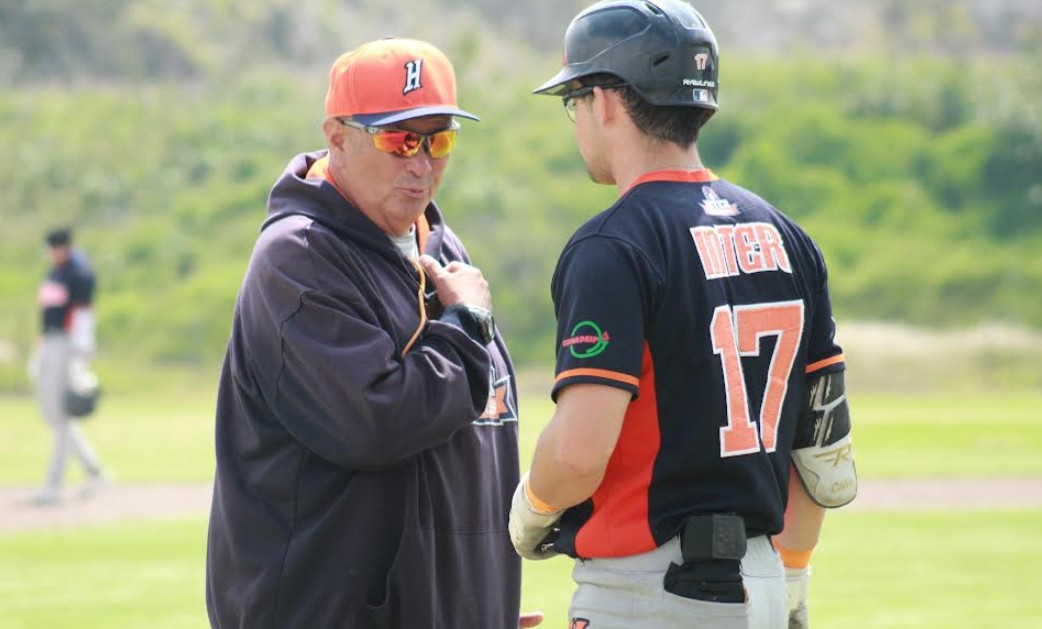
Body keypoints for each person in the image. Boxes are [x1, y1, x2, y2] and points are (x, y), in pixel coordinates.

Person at [508, 1, 858, 628]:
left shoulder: (612, 245)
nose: (577, 118)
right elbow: (822, 451)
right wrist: (794, 574)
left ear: (608, 101)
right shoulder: (788, 235)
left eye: (575, 99)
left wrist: (532, 505)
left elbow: (579, 455)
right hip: (766, 582)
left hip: (648, 591)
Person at [206, 38, 541, 629]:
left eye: (439, 139)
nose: (421, 162)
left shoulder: (437, 244)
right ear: (337, 136)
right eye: (399, 138)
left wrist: (475, 603)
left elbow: (476, 441)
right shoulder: (299, 259)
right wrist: (464, 324)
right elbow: (377, 421)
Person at [30, 226, 108, 505]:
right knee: (54, 414)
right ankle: (94, 472)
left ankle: (53, 485)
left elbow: (83, 314)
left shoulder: (79, 272)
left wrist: (80, 353)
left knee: (62, 415)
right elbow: (48, 312)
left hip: (69, 345)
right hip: (51, 343)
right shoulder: (56, 271)